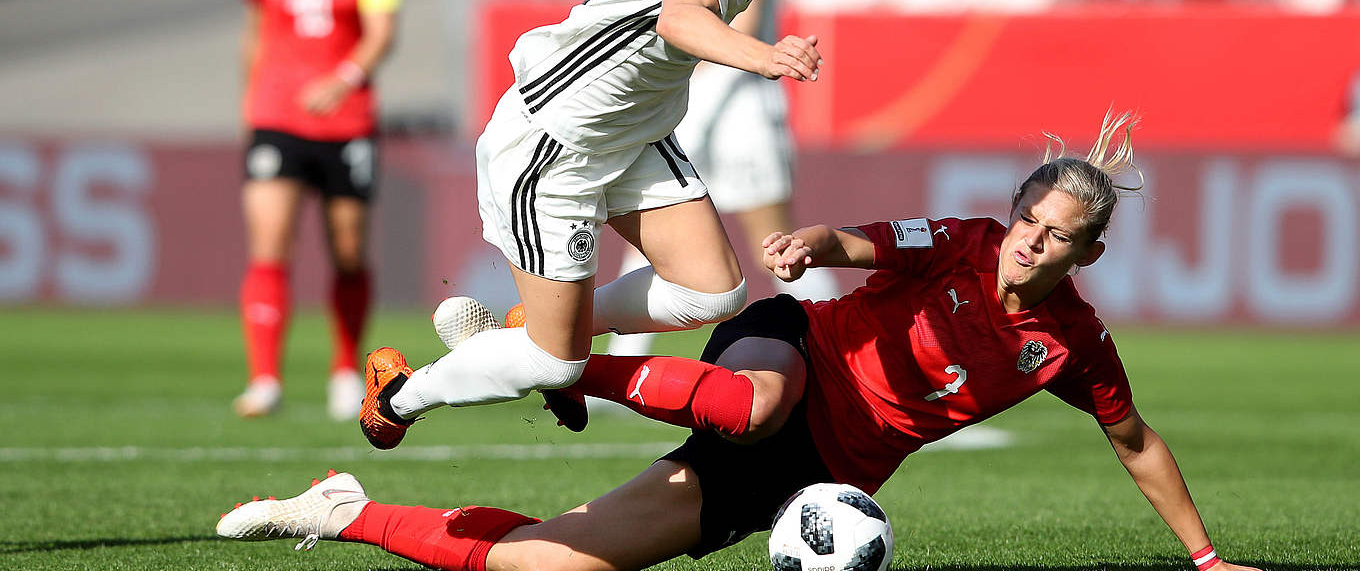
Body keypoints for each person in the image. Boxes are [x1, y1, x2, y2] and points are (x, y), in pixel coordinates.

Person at [216, 112, 1260, 571]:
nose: (1030, 244)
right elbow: (871, 239)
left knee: (544, 561)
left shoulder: (1073, 345)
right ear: (1016, 212)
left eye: (1057, 238)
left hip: (815, 471)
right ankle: (559, 359)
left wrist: (1205, 557)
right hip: (788, 351)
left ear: (1088, 250)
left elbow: (1135, 442)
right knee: (748, 401)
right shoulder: (966, 241)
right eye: (1030, 221)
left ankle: (342, 509)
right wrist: (814, 240)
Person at [354, 0, 850, 450]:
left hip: (634, 134)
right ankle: (399, 393)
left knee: (715, 291)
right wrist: (764, 56)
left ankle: (539, 322)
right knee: (554, 364)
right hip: (554, 141)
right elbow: (680, 18)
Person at [603, 0, 841, 365]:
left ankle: (845, 347)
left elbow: (741, 21)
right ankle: (619, 356)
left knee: (778, 244)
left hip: (740, 108)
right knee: (649, 225)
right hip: (690, 102)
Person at [233, 0, 401, 420]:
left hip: (348, 119)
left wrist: (344, 79)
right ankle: (264, 380)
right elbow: (256, 29)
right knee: (269, 243)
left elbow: (383, 31)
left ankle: (342, 372)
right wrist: (249, 100)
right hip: (276, 118)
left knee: (348, 251)